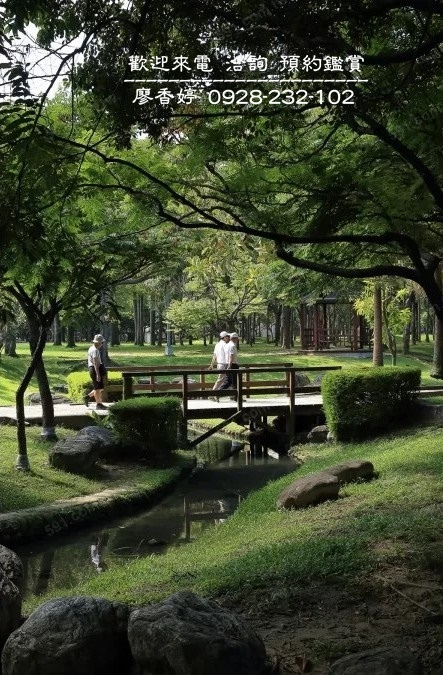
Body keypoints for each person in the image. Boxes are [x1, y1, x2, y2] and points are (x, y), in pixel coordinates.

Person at [85, 334, 107, 409]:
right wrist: (98, 374)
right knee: (97, 388)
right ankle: (98, 404)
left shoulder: (91, 348)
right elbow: (95, 362)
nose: (102, 344)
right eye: (102, 343)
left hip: (93, 368)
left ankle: (87, 397)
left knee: (99, 388)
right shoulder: (95, 350)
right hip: (94, 369)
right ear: (99, 343)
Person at [209, 331, 230, 398]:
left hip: (220, 364)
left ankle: (232, 395)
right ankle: (213, 394)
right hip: (224, 364)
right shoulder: (226, 345)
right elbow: (228, 355)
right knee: (222, 379)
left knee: (228, 379)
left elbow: (214, 356)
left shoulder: (217, 345)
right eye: (227, 337)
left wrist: (212, 364)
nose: (228, 338)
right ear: (224, 337)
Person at [220, 332, 240, 398]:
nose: (237, 340)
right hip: (232, 365)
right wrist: (230, 365)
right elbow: (231, 356)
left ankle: (217, 394)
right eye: (237, 339)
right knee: (235, 382)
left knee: (228, 382)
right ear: (235, 339)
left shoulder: (227, 345)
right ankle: (236, 398)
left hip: (228, 364)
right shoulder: (232, 346)